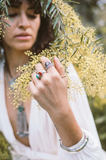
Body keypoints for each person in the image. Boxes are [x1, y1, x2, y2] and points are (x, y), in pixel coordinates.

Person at [0, 0, 106, 159]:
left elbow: (92, 157)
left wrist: (61, 111)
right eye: (12, 14)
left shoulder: (58, 71)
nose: (24, 23)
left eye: (32, 15)